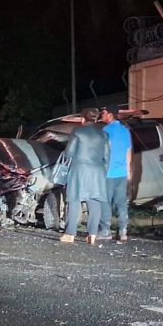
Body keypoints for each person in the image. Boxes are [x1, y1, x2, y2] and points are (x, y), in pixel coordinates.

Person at [59, 108, 110, 244]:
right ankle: (92, 234)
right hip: (97, 172)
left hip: (79, 170)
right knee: (94, 202)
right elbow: (107, 157)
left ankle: (70, 234)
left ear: (83, 119)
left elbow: (69, 152)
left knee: (75, 200)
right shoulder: (103, 134)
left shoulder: (78, 131)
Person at [97, 105, 133, 242]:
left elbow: (105, 150)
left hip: (109, 172)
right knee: (121, 202)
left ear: (110, 115)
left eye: (104, 113)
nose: (102, 115)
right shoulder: (125, 131)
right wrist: (128, 171)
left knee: (105, 201)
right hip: (122, 172)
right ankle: (123, 231)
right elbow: (128, 151)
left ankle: (106, 230)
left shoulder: (106, 130)